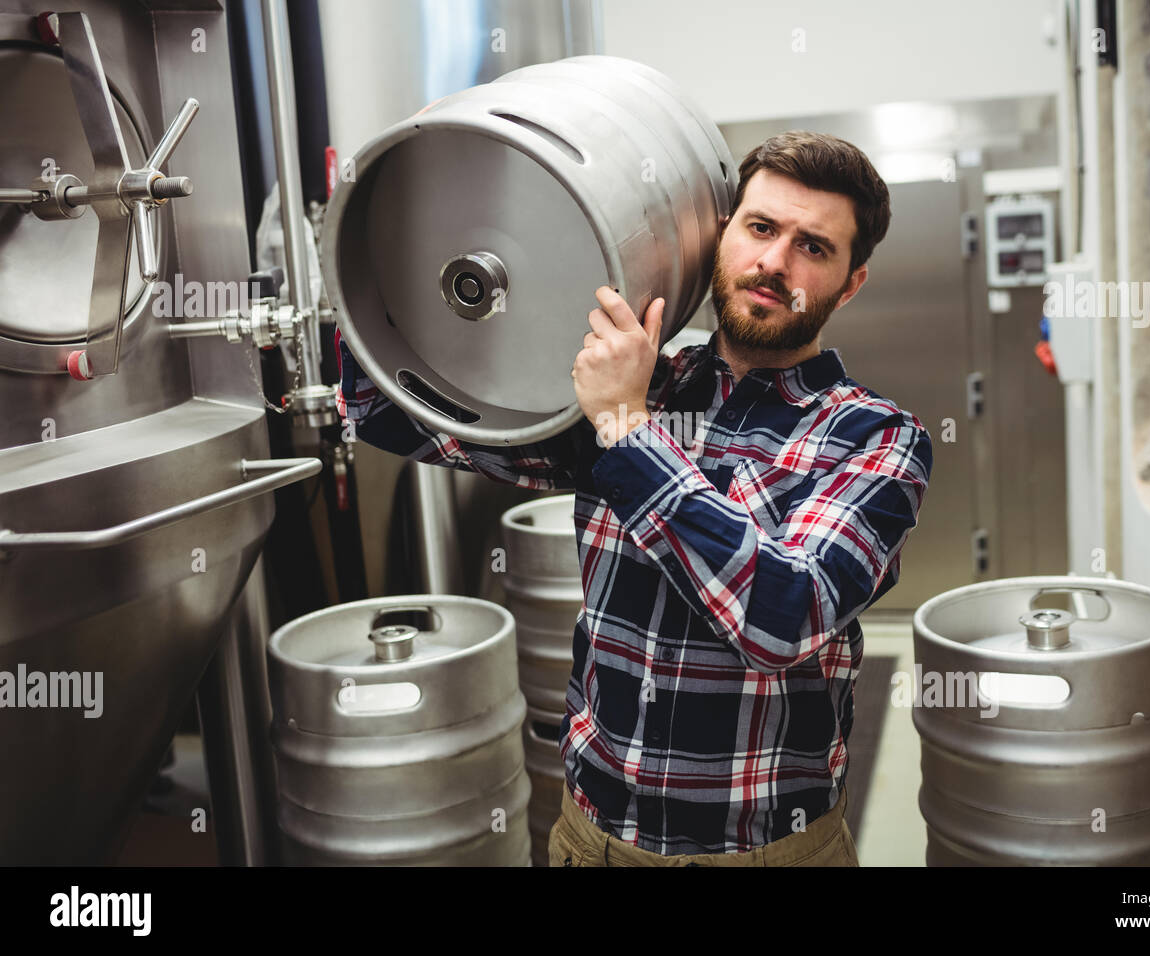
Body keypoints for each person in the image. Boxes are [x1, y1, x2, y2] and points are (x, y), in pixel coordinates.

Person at [336, 130, 933, 867]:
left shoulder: (876, 437)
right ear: (721, 235)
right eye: (761, 228)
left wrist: (625, 428)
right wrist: (395, 222)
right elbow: (393, 413)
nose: (775, 262)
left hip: (768, 852)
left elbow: (781, 616)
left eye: (814, 247)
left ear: (849, 283)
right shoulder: (640, 382)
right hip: (594, 841)